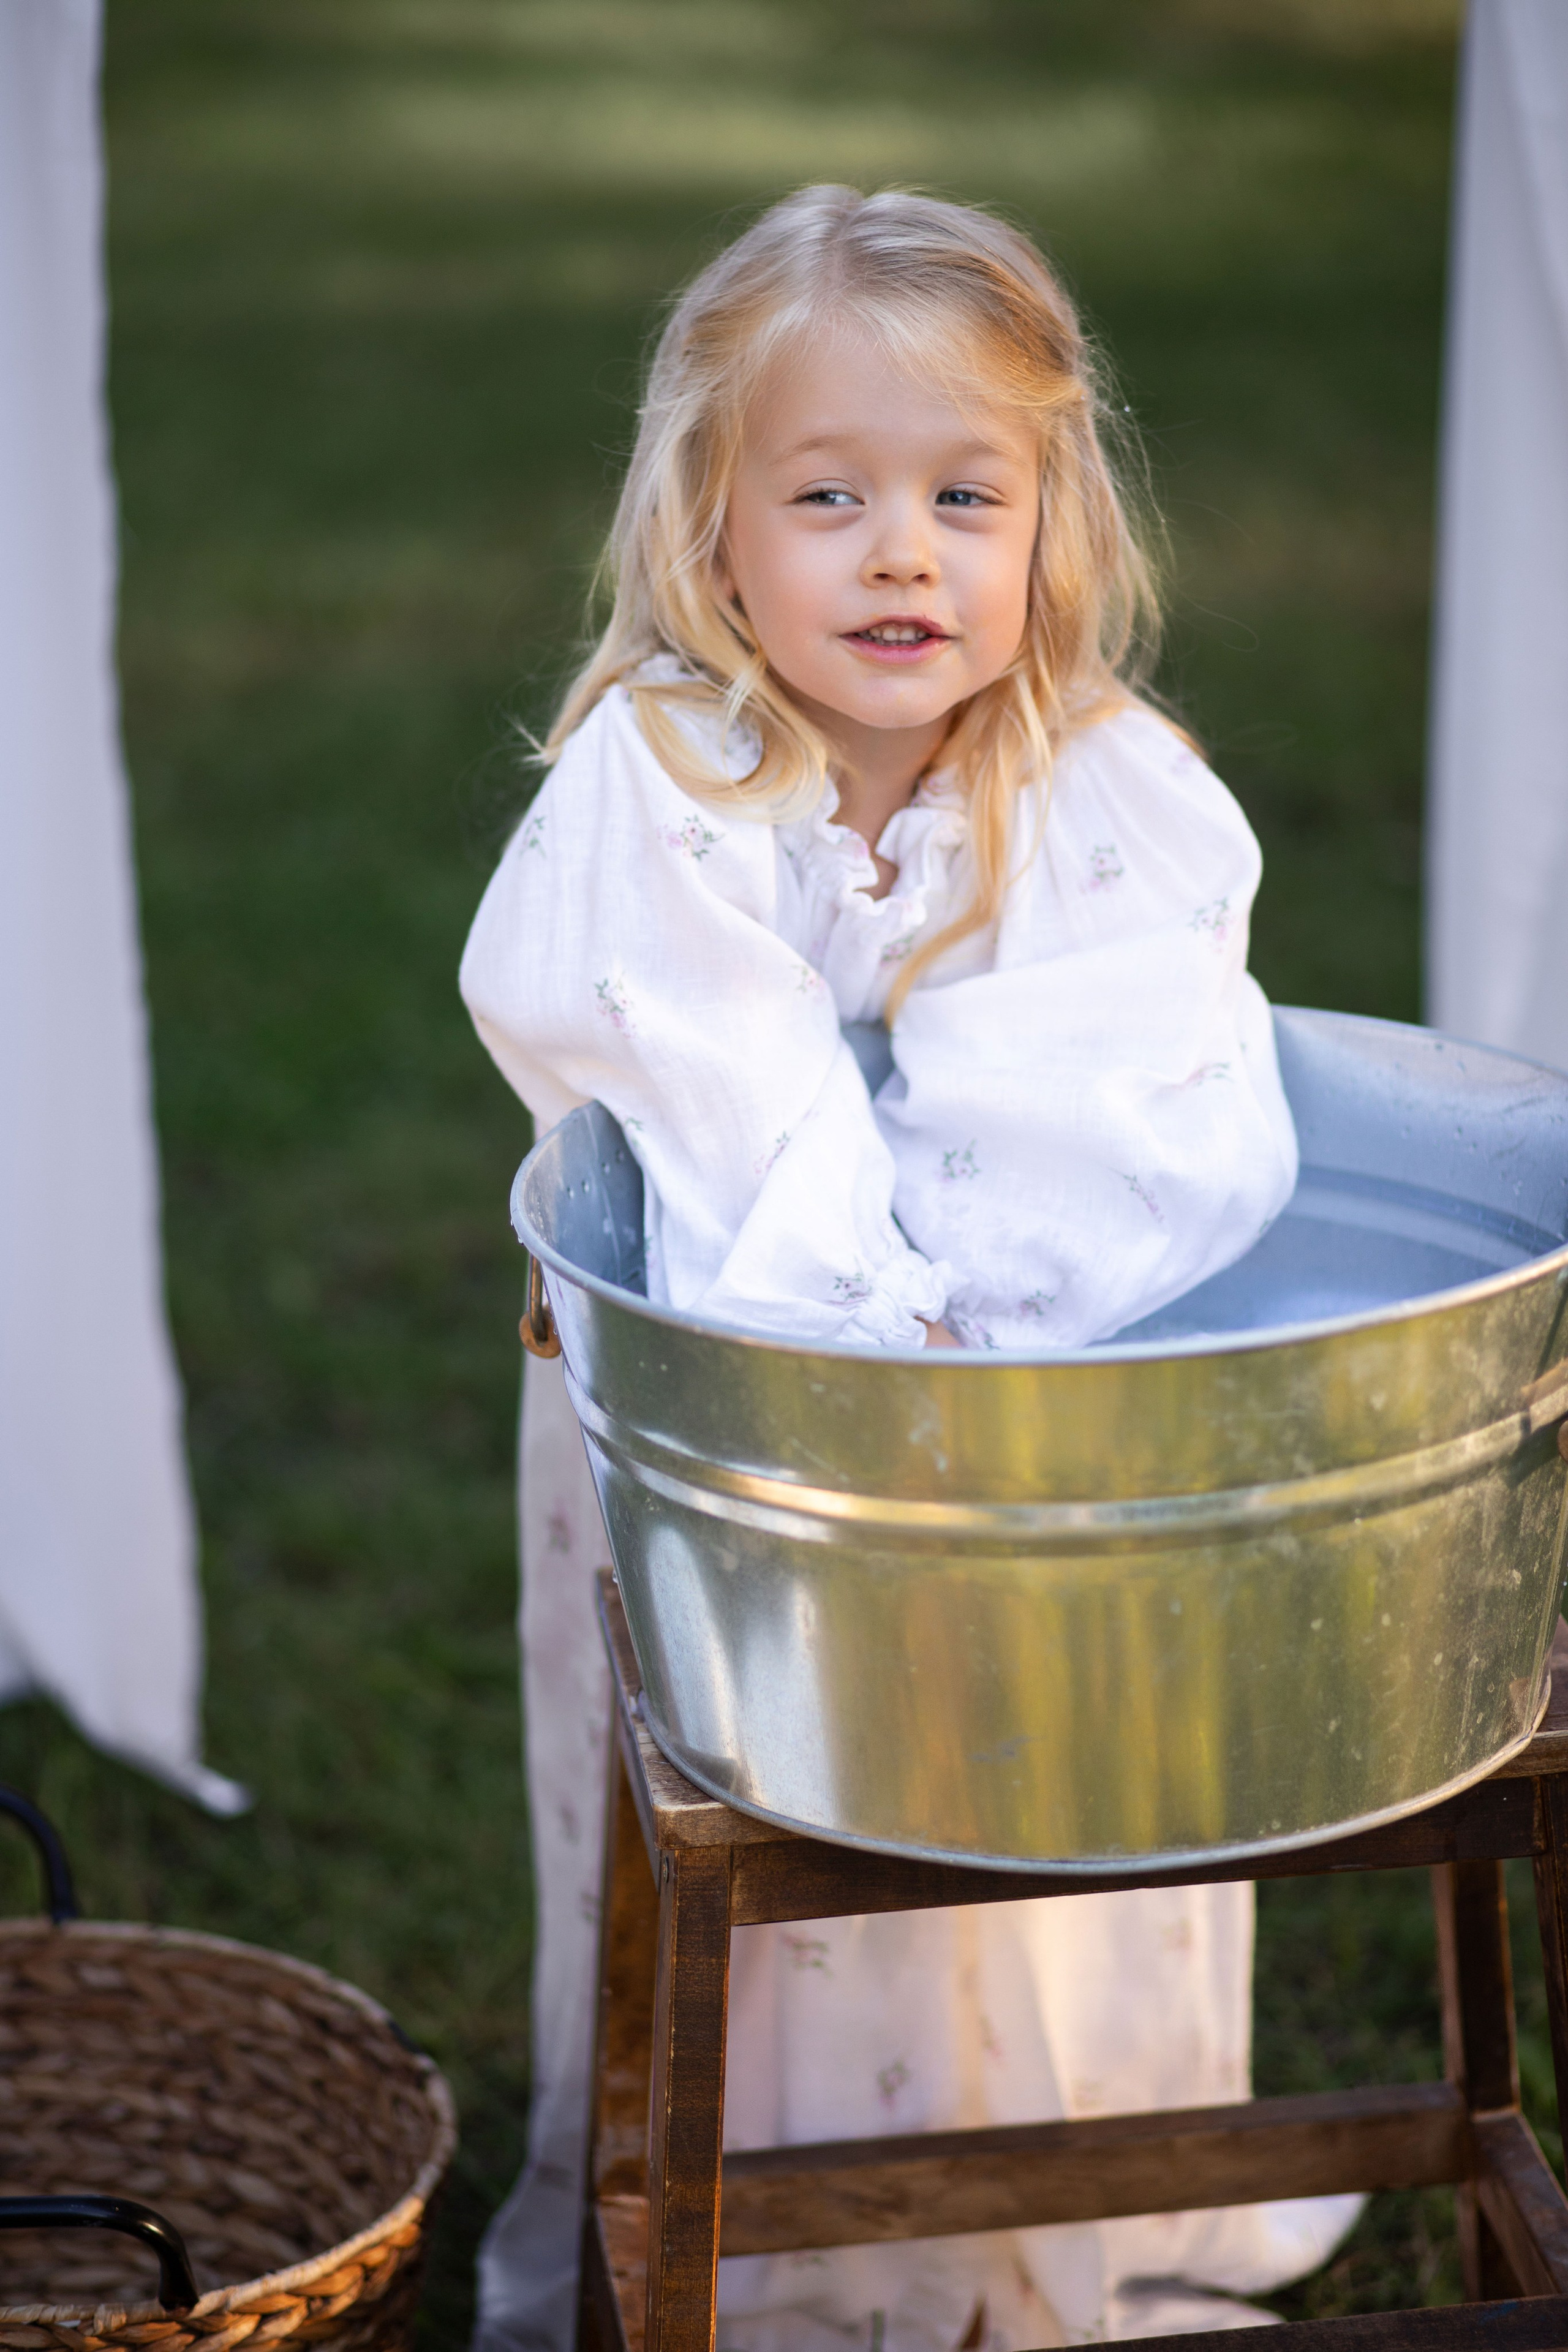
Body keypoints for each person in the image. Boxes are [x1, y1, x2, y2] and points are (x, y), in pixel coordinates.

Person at [461, 185, 1359, 2351]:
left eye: (967, 496)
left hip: (1037, 1425)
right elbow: (724, 1109)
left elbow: (1133, 1122)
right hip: (738, 1415)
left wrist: (988, 1360)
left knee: (1028, 1835)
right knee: (772, 1836)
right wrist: (878, 1360)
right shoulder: (661, 791)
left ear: (1053, 518)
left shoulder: (1107, 794)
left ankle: (1054, 2202)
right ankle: (786, 2250)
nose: (902, 554)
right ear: (714, 524)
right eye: (831, 494)